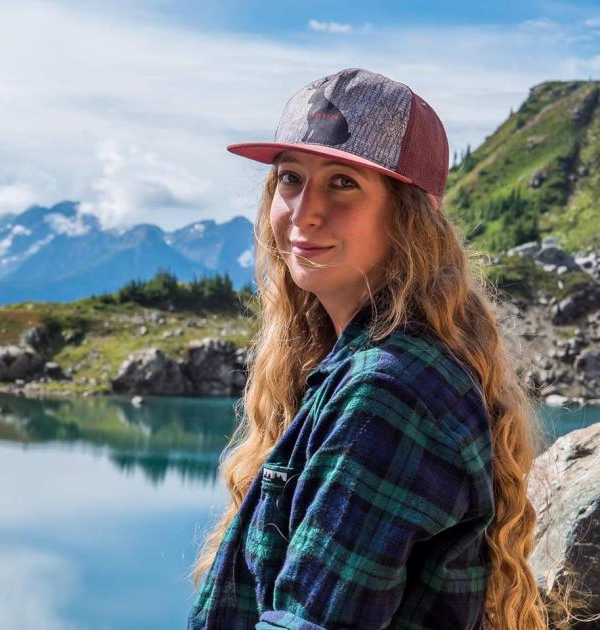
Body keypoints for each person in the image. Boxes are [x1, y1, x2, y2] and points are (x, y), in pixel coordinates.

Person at [188, 68, 586, 629]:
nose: (305, 211)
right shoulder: (372, 365)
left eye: (343, 182)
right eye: (290, 179)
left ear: (408, 214)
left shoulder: (387, 391)